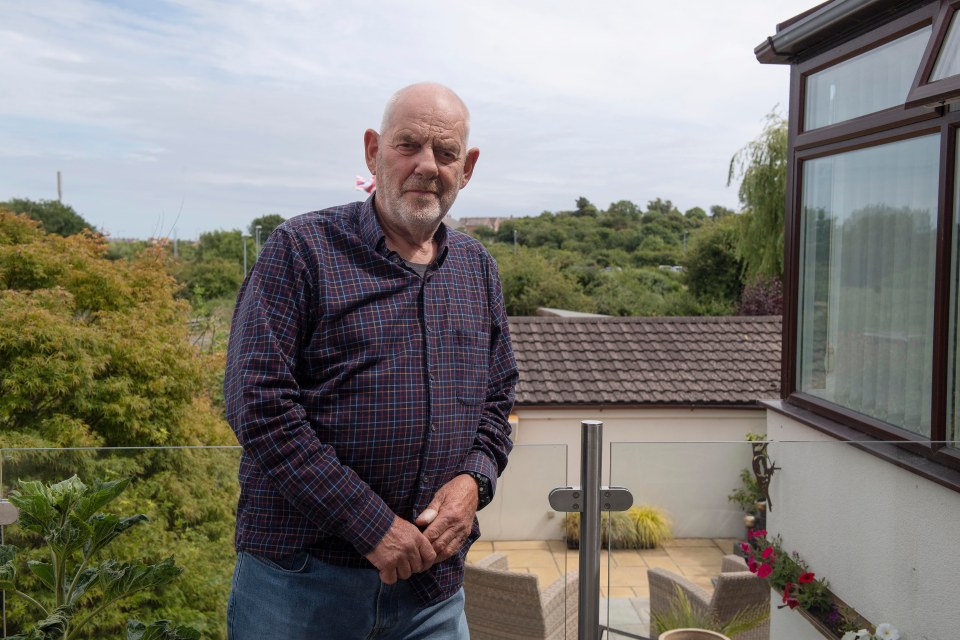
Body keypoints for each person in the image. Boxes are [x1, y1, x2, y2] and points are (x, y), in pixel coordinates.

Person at [224, 82, 518, 640]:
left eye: (446, 152)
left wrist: (474, 482)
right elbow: (257, 406)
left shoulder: (477, 269)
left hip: (433, 592)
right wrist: (372, 526)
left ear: (468, 165)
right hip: (302, 583)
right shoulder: (301, 249)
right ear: (371, 150)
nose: (427, 166)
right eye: (408, 145)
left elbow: (498, 398)